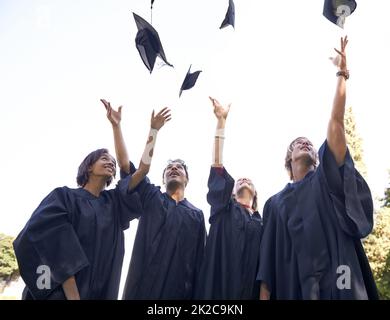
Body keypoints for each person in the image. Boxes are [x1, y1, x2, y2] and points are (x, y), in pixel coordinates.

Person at [257, 36, 378, 300]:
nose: (304, 143)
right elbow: (267, 268)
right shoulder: (274, 204)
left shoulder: (326, 181)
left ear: (318, 156)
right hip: (295, 288)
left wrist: (342, 73)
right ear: (288, 159)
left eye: (309, 143)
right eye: (297, 143)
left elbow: (336, 124)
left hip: (341, 281)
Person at [101, 99, 206, 299]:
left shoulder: (197, 216)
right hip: (143, 289)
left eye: (179, 167)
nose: (174, 168)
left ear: (187, 179)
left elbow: (200, 263)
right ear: (163, 178)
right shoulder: (151, 196)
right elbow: (126, 167)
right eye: (169, 168)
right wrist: (120, 126)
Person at [13, 145, 142, 299]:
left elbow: (133, 175)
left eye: (113, 162)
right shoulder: (63, 196)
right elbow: (52, 241)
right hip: (61, 293)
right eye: (104, 158)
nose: (111, 163)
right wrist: (73, 295)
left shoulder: (114, 204)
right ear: (89, 167)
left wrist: (119, 127)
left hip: (98, 291)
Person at [194, 97, 263, 299]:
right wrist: (221, 122)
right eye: (239, 180)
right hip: (217, 292)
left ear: (256, 193)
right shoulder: (223, 208)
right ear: (229, 192)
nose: (243, 180)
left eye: (248, 180)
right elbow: (217, 163)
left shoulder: (262, 223)